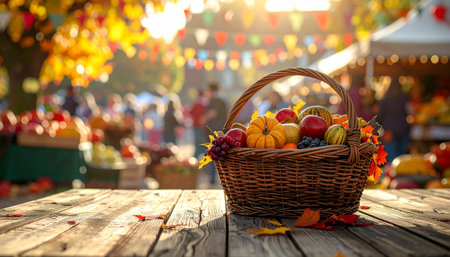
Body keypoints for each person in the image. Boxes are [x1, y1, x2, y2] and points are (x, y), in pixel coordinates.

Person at [377, 77, 412, 163]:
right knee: (402, 157)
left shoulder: (385, 99)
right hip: (403, 129)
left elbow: (379, 115)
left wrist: (379, 127)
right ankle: (401, 173)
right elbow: (411, 112)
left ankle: (392, 174)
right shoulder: (405, 97)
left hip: (389, 131)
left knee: (391, 157)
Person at [200, 83, 227, 184]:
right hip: (216, 131)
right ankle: (214, 177)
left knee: (214, 153)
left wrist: (204, 119)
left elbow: (213, 112)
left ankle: (213, 178)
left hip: (216, 131)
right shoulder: (219, 99)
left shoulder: (217, 100)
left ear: (211, 90)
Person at [190, 89, 209, 159]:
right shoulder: (206, 103)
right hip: (204, 126)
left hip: (196, 125)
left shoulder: (196, 103)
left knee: (197, 143)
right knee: (204, 143)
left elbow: (191, 112)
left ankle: (195, 158)